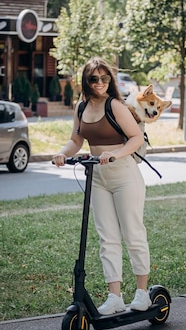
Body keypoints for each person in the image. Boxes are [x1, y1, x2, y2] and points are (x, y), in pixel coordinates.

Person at [52, 57, 152, 315]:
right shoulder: (81, 107)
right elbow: (75, 139)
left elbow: (135, 137)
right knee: (107, 237)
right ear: (86, 80)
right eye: (94, 79)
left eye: (105, 78)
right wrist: (62, 153)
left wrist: (116, 154)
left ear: (111, 80)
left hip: (123, 174)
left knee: (132, 232)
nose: (100, 83)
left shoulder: (115, 105)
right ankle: (115, 296)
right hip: (97, 175)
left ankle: (142, 292)